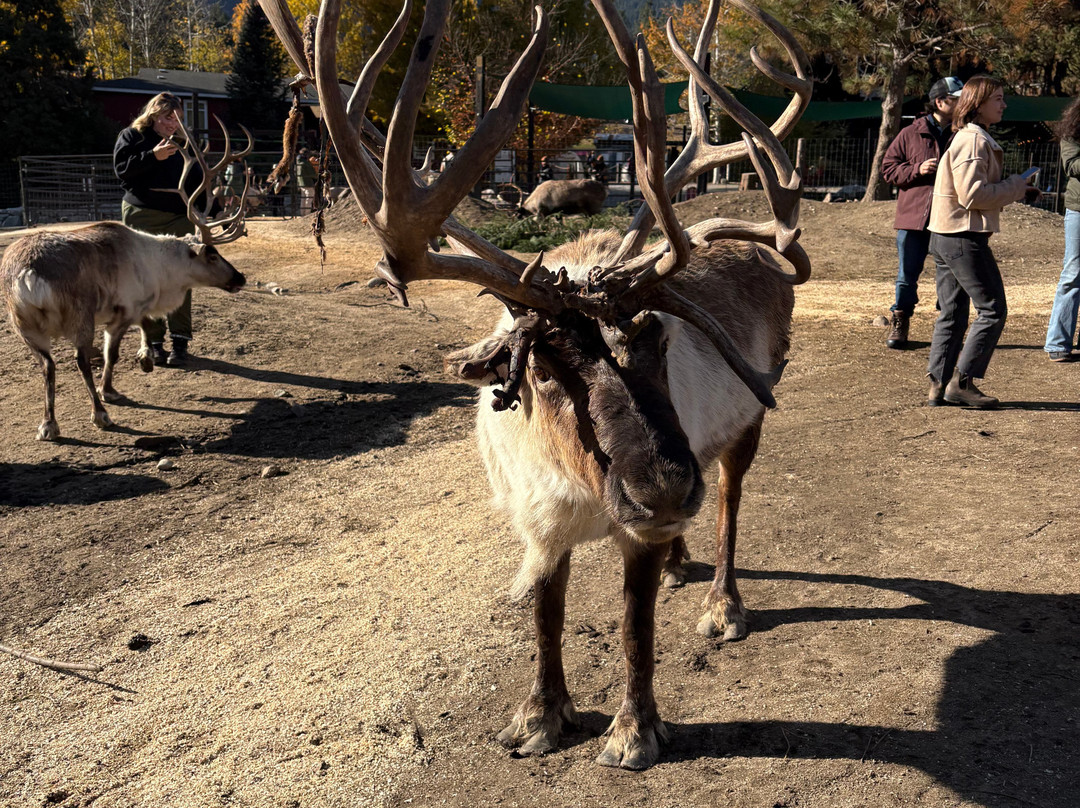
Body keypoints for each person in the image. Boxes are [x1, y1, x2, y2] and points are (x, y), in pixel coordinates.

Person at [925, 75, 1040, 408]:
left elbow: (972, 192)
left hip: (947, 235)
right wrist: (1015, 184)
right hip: (963, 239)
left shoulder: (967, 137)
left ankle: (938, 386)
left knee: (953, 314)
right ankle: (961, 383)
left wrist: (1017, 190)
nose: (1004, 104)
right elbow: (973, 195)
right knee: (993, 310)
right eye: (999, 99)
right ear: (978, 104)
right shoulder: (974, 140)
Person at [113, 92, 218, 368]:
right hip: (142, 218)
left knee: (181, 276)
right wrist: (152, 156)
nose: (174, 124)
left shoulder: (185, 142)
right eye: (168, 118)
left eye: (178, 119)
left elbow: (199, 180)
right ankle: (153, 344)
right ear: (153, 115)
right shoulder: (132, 137)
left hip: (179, 220)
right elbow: (122, 170)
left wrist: (216, 211)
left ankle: (180, 344)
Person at [881, 76, 964, 349]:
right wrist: (917, 170)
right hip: (913, 219)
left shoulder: (964, 133)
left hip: (950, 218)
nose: (963, 103)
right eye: (957, 98)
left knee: (951, 275)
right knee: (907, 276)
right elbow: (888, 169)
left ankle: (949, 328)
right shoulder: (909, 133)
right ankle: (900, 320)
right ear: (940, 102)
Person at [1043, 96, 1080, 362]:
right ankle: (1057, 342)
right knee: (1073, 273)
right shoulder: (1072, 131)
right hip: (1079, 210)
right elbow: (1072, 166)